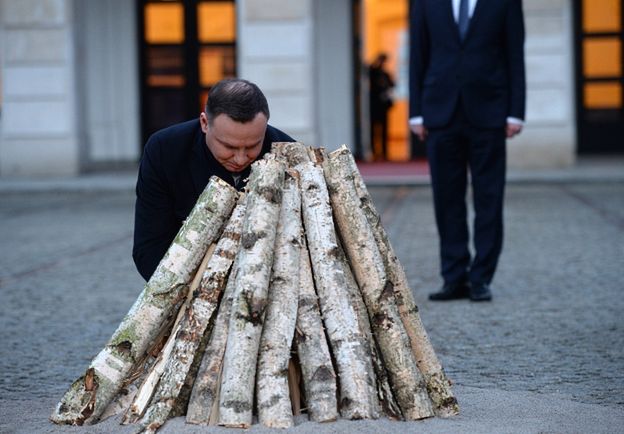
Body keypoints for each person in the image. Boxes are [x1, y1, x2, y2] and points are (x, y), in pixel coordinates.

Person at [409, 0, 526, 301]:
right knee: (447, 200)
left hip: (490, 113)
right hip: (440, 113)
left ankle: (481, 278)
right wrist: (416, 113)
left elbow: (515, 55)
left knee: (489, 198)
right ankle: (454, 277)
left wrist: (516, 112)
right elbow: (418, 55)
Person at [133, 78, 294, 281]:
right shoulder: (164, 150)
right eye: (229, 147)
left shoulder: (288, 152)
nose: (240, 158)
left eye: (253, 145)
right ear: (204, 123)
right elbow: (149, 247)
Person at [369, 53, 395, 161]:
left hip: (383, 106)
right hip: (374, 105)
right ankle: (374, 151)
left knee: (384, 129)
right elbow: (370, 70)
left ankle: (384, 152)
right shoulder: (373, 72)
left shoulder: (385, 74)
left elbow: (392, 85)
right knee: (373, 129)